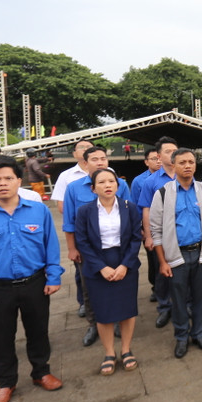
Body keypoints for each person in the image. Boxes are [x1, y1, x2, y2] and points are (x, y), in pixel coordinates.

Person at [0, 155, 64, 402]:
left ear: (20, 180)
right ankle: (6, 383)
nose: (3, 183)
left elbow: (50, 245)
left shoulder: (38, 210)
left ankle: (41, 372)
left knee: (38, 331)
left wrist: (54, 275)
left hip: (35, 283)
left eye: (9, 178)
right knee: (2, 337)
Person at [149, 148, 202, 359]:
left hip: (201, 253)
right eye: (182, 162)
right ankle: (181, 337)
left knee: (200, 297)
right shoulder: (163, 193)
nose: (187, 166)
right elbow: (156, 231)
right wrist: (162, 262)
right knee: (178, 299)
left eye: (191, 162)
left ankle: (198, 333)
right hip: (175, 256)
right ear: (173, 165)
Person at [62, 145, 132, 347]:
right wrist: (72, 248)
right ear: (85, 163)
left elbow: (129, 216)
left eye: (103, 158)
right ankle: (94, 324)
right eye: (95, 159)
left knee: (120, 284)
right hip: (87, 250)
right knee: (89, 287)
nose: (100, 162)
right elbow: (69, 221)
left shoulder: (121, 185)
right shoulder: (74, 188)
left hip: (117, 247)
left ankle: (119, 320)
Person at [74, 169, 142, 375]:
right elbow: (82, 242)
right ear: (94, 188)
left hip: (125, 263)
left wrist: (124, 265)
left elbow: (135, 238)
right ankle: (109, 352)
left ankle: (126, 349)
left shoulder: (129, 208)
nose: (107, 185)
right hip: (97, 266)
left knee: (128, 310)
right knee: (103, 313)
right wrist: (101, 267)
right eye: (101, 182)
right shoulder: (85, 211)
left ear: (118, 185)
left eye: (111, 181)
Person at [138, 136, 179, 329]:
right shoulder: (151, 182)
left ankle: (182, 305)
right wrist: (148, 236)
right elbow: (145, 210)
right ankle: (164, 308)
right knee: (162, 273)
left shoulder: (186, 175)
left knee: (183, 273)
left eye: (174, 150)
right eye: (168, 151)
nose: (172, 154)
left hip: (183, 234)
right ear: (158, 156)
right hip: (161, 235)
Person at [51, 139, 94, 317]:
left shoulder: (108, 174)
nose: (85, 150)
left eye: (89, 147)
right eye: (81, 147)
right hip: (80, 233)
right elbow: (62, 206)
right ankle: (84, 302)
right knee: (81, 272)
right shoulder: (67, 176)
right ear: (74, 153)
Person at [130, 147, 162, 302]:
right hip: (150, 228)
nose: (158, 161)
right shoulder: (139, 181)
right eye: (153, 159)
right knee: (154, 260)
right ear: (146, 162)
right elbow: (136, 207)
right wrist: (141, 229)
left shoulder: (173, 176)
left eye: (159, 158)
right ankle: (156, 287)